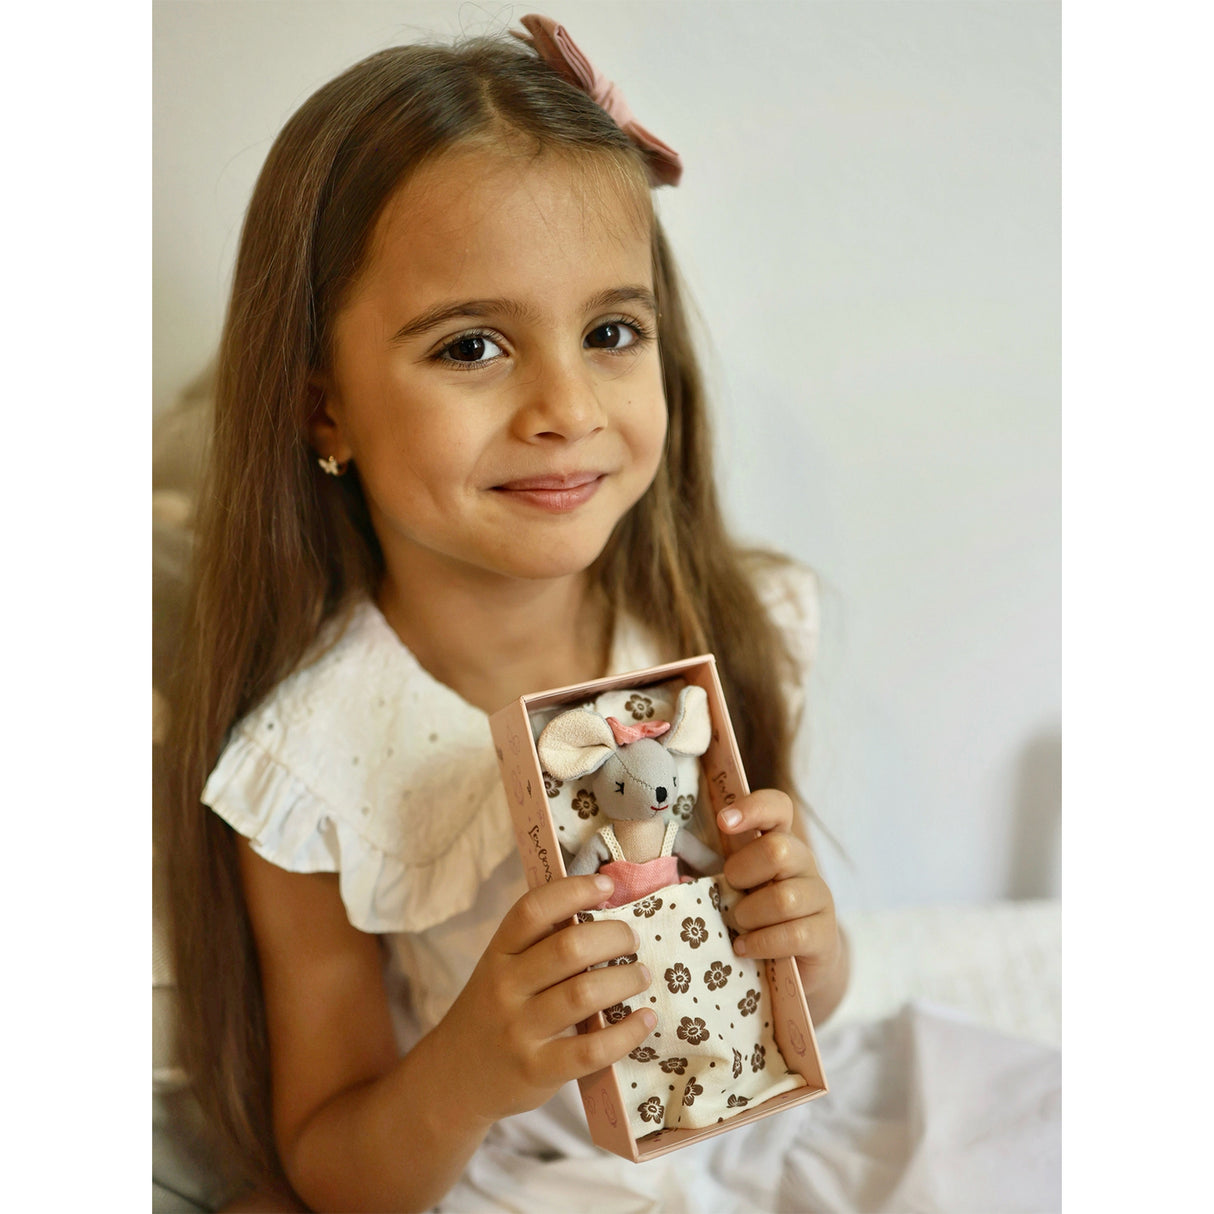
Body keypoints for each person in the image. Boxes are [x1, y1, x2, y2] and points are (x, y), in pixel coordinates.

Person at [161, 16, 1056, 1214]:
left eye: (609, 333)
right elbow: (334, 1162)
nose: (566, 407)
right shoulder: (309, 767)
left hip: (760, 1143)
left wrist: (812, 948)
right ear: (324, 409)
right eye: (472, 345)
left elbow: (796, 1000)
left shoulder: (723, 630)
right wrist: (470, 1065)